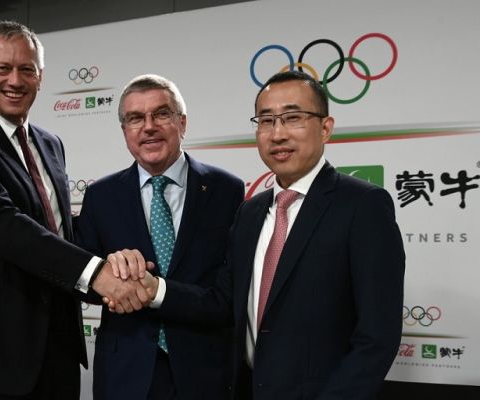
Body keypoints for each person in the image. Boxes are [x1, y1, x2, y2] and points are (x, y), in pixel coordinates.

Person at [0, 20, 155, 400]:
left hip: (56, 352)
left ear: (40, 77)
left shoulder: (51, 143)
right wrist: (98, 274)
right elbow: (3, 225)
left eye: (26, 69)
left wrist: (120, 263)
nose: (15, 79)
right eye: (3, 68)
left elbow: (57, 230)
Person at [228, 70, 405, 400]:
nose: (277, 133)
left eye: (292, 118)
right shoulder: (249, 213)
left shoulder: (363, 206)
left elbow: (377, 337)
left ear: (325, 128)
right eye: (266, 121)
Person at [75, 74, 244, 400]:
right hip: (125, 373)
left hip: (205, 370)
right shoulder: (101, 196)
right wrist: (109, 276)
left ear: (182, 122)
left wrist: (158, 291)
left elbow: (229, 293)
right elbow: (87, 286)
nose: (148, 126)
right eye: (135, 118)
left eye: (161, 114)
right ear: (125, 132)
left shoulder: (227, 191)